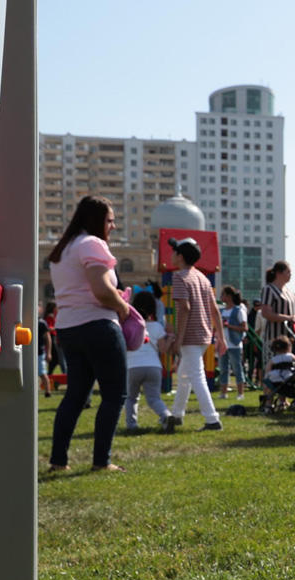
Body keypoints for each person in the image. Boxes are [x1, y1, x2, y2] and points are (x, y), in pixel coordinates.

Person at [47, 196, 130, 472]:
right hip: (98, 326)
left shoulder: (65, 248)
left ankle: (58, 460)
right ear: (96, 221)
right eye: (109, 220)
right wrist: (122, 307)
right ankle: (101, 461)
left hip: (68, 328)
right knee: (114, 394)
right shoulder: (92, 245)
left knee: (75, 395)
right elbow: (101, 290)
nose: (113, 226)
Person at [164, 237, 226, 433]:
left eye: (174, 252)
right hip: (204, 334)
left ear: (180, 256)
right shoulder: (201, 277)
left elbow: (184, 308)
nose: (172, 255)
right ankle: (176, 415)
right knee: (184, 375)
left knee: (195, 376)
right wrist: (221, 337)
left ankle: (212, 419)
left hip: (189, 336)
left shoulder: (179, 277)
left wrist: (178, 339)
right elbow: (214, 309)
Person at [124, 291, 170, 431]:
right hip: (154, 366)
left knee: (131, 398)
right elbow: (163, 350)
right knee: (154, 398)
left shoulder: (128, 324)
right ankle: (166, 415)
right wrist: (171, 338)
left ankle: (132, 425)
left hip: (133, 366)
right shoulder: (157, 326)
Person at [258, 260, 295, 366]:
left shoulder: (289, 291)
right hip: (275, 339)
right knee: (273, 369)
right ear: (279, 273)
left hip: (291, 339)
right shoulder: (269, 289)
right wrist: (288, 318)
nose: (290, 274)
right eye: (288, 272)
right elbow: (266, 313)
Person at [218, 285, 247, 400]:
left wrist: (229, 326)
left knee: (237, 369)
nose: (221, 297)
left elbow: (245, 328)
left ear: (229, 296)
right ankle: (223, 393)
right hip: (223, 344)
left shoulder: (239, 310)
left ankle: (241, 393)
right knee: (223, 369)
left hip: (234, 344)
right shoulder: (221, 310)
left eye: (223, 294)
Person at [37, 305, 52, 398]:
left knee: (42, 373)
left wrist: (49, 353)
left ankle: (48, 391)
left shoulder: (42, 323)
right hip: (30, 353)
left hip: (40, 352)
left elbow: (48, 338)